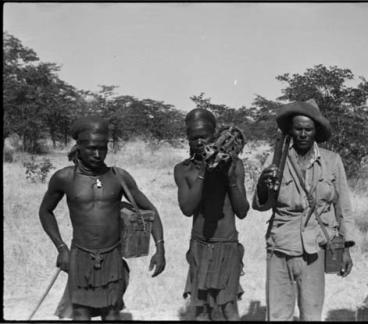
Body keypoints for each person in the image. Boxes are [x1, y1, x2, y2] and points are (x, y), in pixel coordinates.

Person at [39, 116, 166, 320]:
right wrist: (62, 248)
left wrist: (160, 248)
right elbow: (45, 211)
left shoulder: (119, 177)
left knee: (112, 313)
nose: (98, 154)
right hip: (80, 256)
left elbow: (150, 209)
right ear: (79, 147)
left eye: (103, 148)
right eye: (91, 148)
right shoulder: (64, 178)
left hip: (112, 256)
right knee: (80, 314)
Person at [252, 99, 355, 321]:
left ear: (316, 131)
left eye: (308, 129)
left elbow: (343, 208)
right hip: (280, 247)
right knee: (278, 315)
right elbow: (261, 204)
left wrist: (346, 247)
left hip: (315, 248)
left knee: (311, 314)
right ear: (290, 130)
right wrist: (262, 184)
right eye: (298, 129)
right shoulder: (275, 158)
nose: (302, 134)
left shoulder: (332, 161)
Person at [174, 108, 250, 321]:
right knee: (201, 309)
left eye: (204, 137)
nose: (199, 142)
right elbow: (187, 208)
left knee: (228, 308)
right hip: (200, 245)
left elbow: (242, 211)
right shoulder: (184, 170)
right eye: (194, 138)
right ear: (188, 140)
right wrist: (205, 171)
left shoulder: (234, 164)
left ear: (214, 136)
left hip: (227, 244)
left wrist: (230, 176)